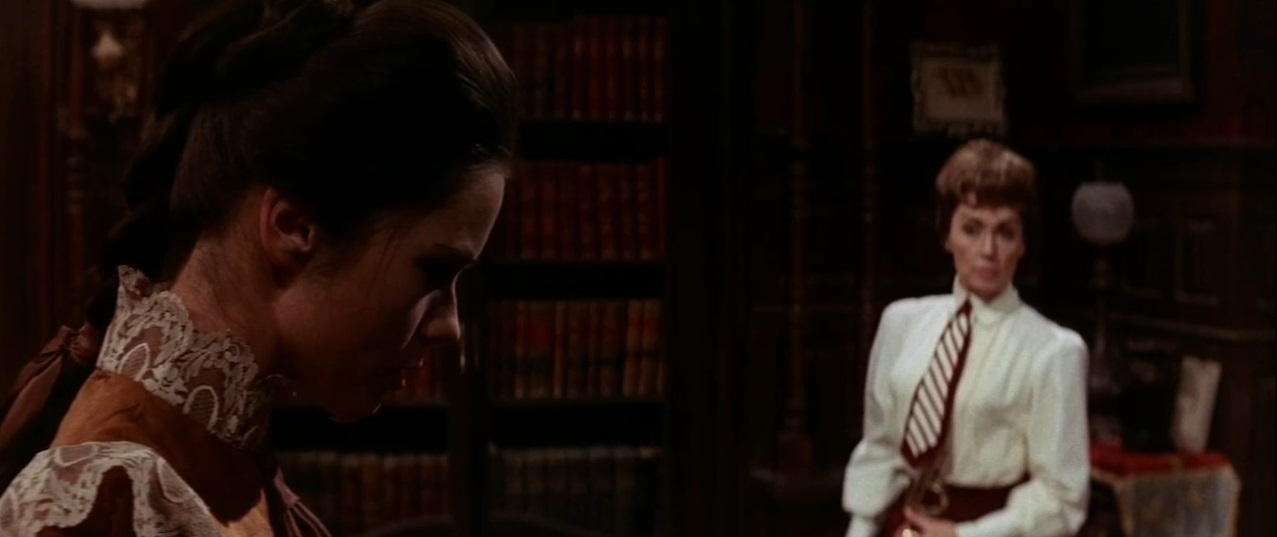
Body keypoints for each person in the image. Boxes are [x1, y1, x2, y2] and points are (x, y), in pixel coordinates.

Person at [0, 0, 516, 534]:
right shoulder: (111, 491)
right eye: (432, 273)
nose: (451, 326)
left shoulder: (223, 454)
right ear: (293, 228)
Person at [841, 140, 1090, 537]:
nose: (988, 250)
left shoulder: (1053, 350)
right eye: (971, 229)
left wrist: (963, 536)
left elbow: (1062, 498)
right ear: (947, 235)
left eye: (1005, 232)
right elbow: (881, 449)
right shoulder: (902, 323)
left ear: (1022, 243)